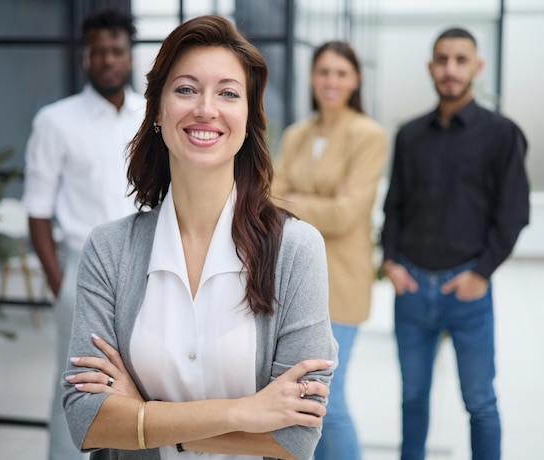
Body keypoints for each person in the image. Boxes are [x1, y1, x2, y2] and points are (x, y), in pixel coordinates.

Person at [60, 15, 338, 460]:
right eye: (186, 89)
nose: (205, 108)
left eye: (228, 93)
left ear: (248, 119)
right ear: (156, 111)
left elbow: (296, 438)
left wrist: (142, 415)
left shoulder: (297, 251)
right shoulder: (108, 250)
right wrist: (244, 413)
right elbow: (85, 419)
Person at [381, 27, 530, 460]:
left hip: (467, 292)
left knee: (480, 402)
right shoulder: (409, 135)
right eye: (442, 59)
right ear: (431, 66)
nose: (450, 69)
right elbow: (396, 206)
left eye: (461, 60)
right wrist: (391, 262)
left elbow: (514, 213)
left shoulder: (502, 134)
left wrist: (481, 274)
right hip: (411, 290)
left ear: (476, 67)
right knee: (412, 400)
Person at [21, 9, 145, 460]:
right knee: (76, 386)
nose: (107, 60)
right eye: (98, 51)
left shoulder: (150, 115)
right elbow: (37, 212)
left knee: (140, 380)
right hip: (79, 270)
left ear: (130, 55)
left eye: (116, 51)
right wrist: (60, 286)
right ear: (83, 57)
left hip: (145, 265)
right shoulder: (56, 121)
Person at [271, 41, 387, 459]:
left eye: (341, 73)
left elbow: (346, 214)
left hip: (341, 285)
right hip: (293, 283)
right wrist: (317, 200)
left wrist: (295, 199)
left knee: (327, 403)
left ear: (356, 80)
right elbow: (267, 198)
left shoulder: (368, 135)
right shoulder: (297, 134)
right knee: (299, 404)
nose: (331, 81)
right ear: (312, 77)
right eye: (324, 72)